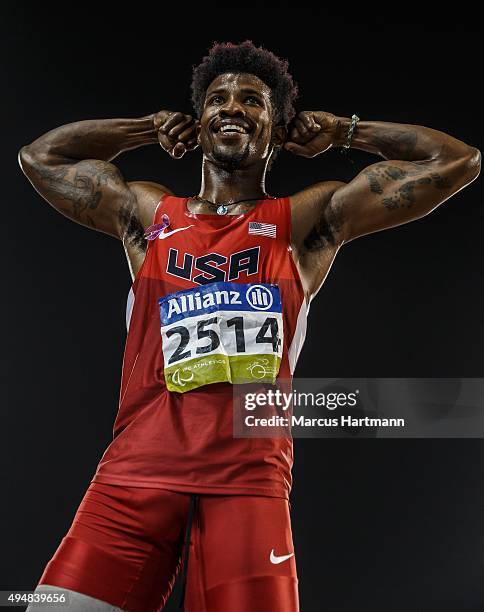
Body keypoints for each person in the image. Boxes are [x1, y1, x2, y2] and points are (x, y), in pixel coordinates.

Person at [18, 40, 480, 612]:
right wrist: (145, 128)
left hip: (247, 480)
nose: (231, 107)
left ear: (277, 127)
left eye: (252, 101)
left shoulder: (304, 222)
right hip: (135, 472)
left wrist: (343, 132)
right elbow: (40, 158)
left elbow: (457, 160)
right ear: (200, 120)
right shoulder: (148, 214)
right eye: (216, 99)